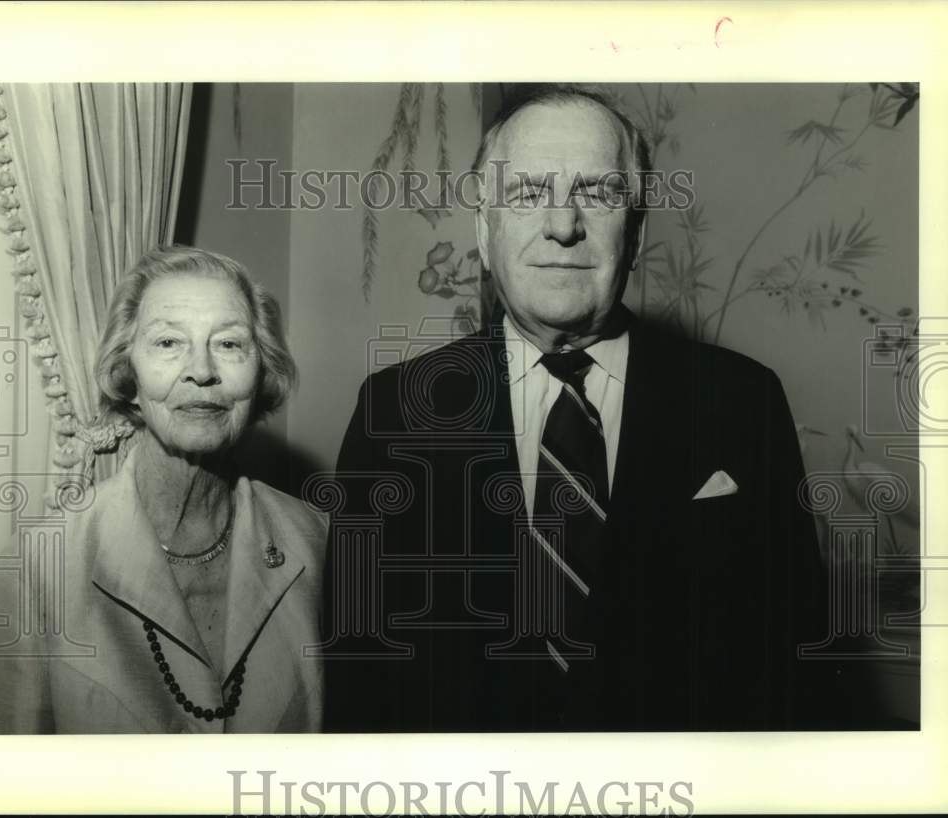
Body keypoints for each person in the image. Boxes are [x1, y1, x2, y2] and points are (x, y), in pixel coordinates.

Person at [322, 86, 838, 732]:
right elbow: (360, 682)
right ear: (485, 230)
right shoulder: (394, 414)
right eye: (529, 192)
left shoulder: (742, 404)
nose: (564, 224)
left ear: (637, 228)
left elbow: (796, 667)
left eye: (597, 194)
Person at [0, 246, 325, 733]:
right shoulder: (40, 566)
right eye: (167, 343)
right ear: (129, 377)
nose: (201, 370)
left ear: (261, 371)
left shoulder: (316, 540)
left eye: (228, 344)